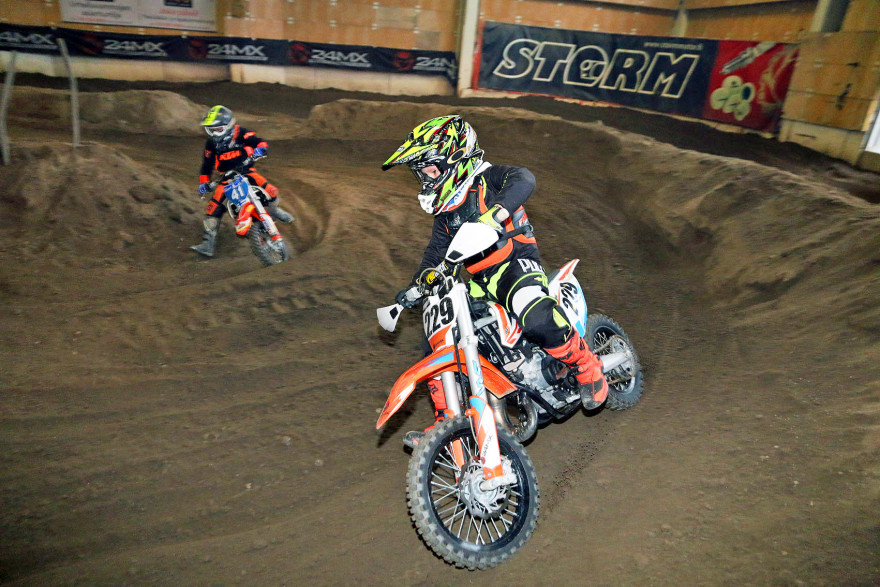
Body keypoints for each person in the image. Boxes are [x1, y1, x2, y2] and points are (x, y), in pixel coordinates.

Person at [382, 114, 609, 448]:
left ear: (454, 157)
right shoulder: (446, 214)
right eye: (422, 174)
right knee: (438, 340)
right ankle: (448, 420)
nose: (426, 180)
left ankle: (587, 367)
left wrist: (496, 213)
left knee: (534, 314)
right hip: (478, 283)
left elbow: (524, 179)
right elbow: (435, 253)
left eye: (429, 170)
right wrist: (416, 286)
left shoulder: (487, 179)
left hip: (515, 264)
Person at [191, 105, 293, 257]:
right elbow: (207, 165)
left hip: (246, 170)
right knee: (213, 208)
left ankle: (274, 210)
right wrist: (204, 183)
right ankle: (208, 244)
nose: (214, 133)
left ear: (228, 126)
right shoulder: (211, 143)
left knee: (270, 191)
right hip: (226, 178)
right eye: (211, 130)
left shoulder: (241, 133)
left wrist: (261, 149)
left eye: (217, 129)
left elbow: (258, 141)